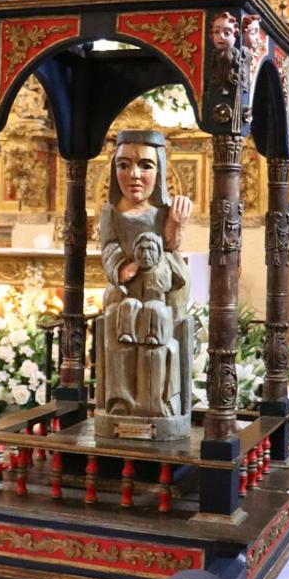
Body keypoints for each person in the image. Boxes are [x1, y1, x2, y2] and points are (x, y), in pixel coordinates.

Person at [95, 131, 193, 437]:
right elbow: (109, 247)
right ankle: (120, 400)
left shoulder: (163, 211)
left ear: (159, 170)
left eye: (145, 165)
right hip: (125, 288)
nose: (134, 175)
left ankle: (157, 403)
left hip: (160, 288)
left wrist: (176, 224)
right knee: (118, 325)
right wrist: (124, 269)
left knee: (158, 329)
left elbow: (170, 248)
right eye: (124, 165)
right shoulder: (111, 213)